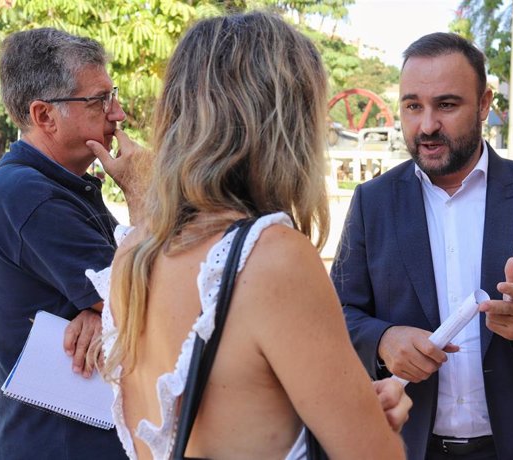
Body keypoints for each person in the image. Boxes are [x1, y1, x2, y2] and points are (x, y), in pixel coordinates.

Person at [85, 12, 411, 460]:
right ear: (286, 125)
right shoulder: (270, 257)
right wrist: (377, 427)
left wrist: (346, 412)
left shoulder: (134, 252)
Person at [330, 32, 513, 460]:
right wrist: (383, 339)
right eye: (413, 106)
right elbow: (336, 315)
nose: (426, 125)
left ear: (484, 104)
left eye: (446, 105)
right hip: (406, 445)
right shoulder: (373, 202)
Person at [0, 28, 139, 459]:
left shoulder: (53, 184)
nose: (117, 113)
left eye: (113, 94)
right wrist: (143, 195)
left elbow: (121, 291)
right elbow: (150, 303)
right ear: (45, 115)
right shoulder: (32, 195)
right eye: (99, 100)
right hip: (64, 444)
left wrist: (102, 307)